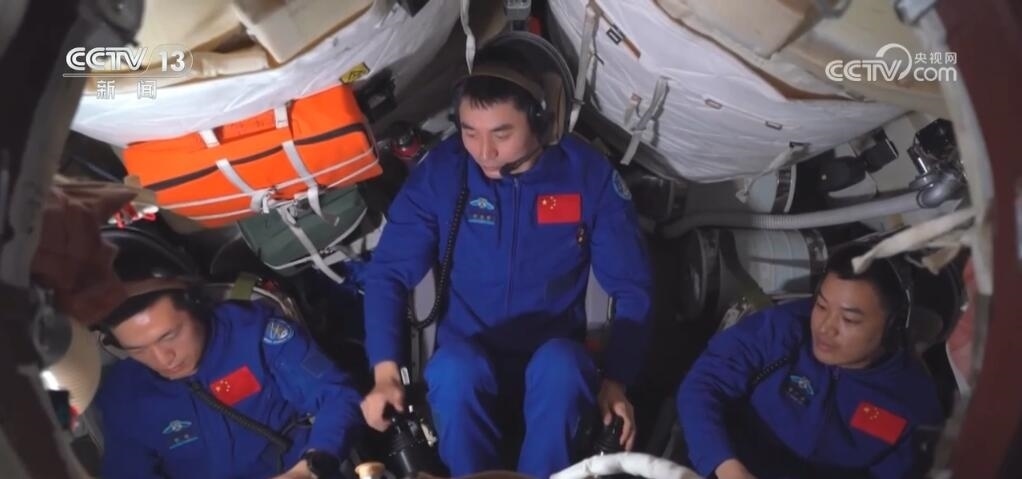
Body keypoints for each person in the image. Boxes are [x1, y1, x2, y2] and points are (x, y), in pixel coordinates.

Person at [360, 35, 654, 478]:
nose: (484, 152)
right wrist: (385, 372)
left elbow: (632, 287)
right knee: (454, 369)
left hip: (554, 367)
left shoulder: (587, 175)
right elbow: (388, 274)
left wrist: (617, 380)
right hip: (468, 362)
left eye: (501, 134)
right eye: (469, 132)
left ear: (542, 121)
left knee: (561, 365)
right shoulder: (443, 172)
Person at [95, 228, 364, 479]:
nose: (163, 359)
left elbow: (336, 396)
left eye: (169, 336)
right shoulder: (124, 394)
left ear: (195, 305)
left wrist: (309, 468)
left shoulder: (256, 336)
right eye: (138, 349)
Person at [677, 242, 945, 479]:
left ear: (892, 325)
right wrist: (728, 469)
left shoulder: (913, 404)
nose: (825, 327)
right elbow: (702, 386)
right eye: (821, 305)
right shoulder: (783, 329)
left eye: (849, 319)